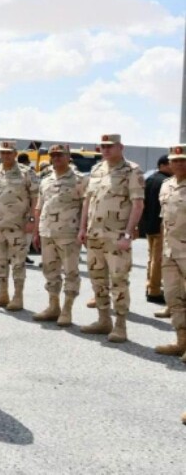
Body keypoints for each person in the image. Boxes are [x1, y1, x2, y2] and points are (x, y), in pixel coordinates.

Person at [78, 134, 145, 343]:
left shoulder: (132, 170)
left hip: (116, 237)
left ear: (121, 147)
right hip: (94, 235)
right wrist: (82, 228)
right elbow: (87, 202)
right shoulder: (97, 170)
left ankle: (120, 326)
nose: (105, 150)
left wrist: (127, 234)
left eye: (110, 146)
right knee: (97, 279)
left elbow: (138, 205)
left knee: (119, 281)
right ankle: (103, 320)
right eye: (103, 146)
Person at [0, 140, 39, 311]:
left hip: (18, 226)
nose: (5, 155)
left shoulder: (26, 173)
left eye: (8, 152)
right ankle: (2, 295)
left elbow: (35, 197)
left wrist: (32, 220)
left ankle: (18, 297)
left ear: (15, 153)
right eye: (2, 152)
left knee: (18, 262)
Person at [32, 144, 87, 326]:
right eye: (53, 155)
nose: (56, 158)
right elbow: (40, 207)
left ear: (68, 157)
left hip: (68, 234)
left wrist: (82, 230)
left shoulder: (79, 180)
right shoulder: (46, 180)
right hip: (47, 232)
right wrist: (36, 232)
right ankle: (53, 306)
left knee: (71, 272)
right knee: (50, 271)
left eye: (60, 155)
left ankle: (67, 310)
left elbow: (86, 208)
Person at [154, 144, 186, 362]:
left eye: (183, 160)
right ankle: (181, 341)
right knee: (173, 297)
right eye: (174, 160)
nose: (178, 164)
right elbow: (164, 221)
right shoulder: (166, 186)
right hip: (170, 251)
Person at [141, 155, 172, 307]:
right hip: (161, 226)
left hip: (149, 225)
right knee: (158, 260)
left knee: (152, 259)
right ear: (163, 165)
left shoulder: (150, 179)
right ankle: (154, 290)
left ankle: (150, 286)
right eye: (171, 163)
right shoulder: (166, 182)